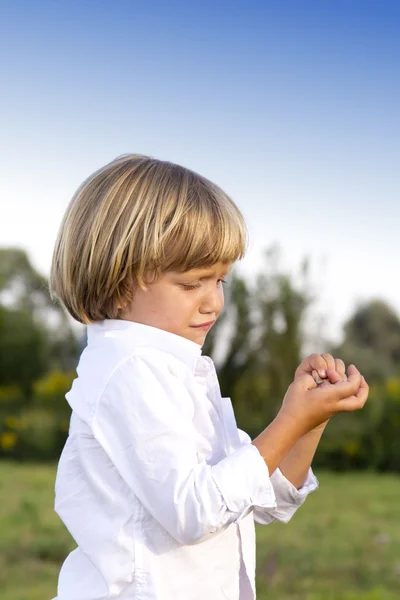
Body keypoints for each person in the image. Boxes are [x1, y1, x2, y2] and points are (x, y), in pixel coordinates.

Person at [49, 154, 368, 600]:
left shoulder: (178, 372)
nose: (213, 302)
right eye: (191, 283)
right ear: (122, 281)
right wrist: (289, 422)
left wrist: (309, 422)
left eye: (220, 281)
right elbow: (196, 511)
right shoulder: (130, 371)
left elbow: (263, 500)